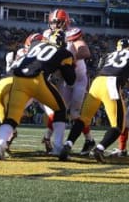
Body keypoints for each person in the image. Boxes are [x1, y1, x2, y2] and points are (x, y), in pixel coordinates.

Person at [59, 38, 129, 163]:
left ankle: (68, 144)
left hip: (97, 82)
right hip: (111, 84)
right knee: (118, 126)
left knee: (83, 119)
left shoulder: (110, 54)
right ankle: (99, 149)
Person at [0, 30, 75, 160]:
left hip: (18, 79)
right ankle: (58, 148)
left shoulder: (35, 44)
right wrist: (67, 65)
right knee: (61, 109)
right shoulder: (65, 53)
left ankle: (1, 143)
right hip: (38, 80)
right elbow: (71, 80)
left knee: (12, 117)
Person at [41, 9, 96, 155]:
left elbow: (85, 52)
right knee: (59, 109)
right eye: (53, 22)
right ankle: (47, 138)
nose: (55, 25)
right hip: (65, 79)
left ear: (65, 22)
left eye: (58, 22)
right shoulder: (47, 36)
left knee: (74, 114)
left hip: (78, 79)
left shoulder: (72, 34)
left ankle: (89, 140)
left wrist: (68, 59)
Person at [0, 33, 44, 152]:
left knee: (6, 115)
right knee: (12, 116)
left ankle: (0, 137)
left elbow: (10, 68)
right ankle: (4, 140)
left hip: (7, 83)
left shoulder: (18, 53)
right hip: (26, 87)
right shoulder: (37, 54)